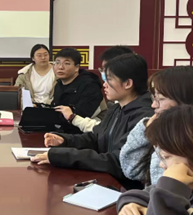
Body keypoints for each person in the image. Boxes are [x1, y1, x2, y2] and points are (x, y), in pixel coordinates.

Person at [33, 53, 153, 186]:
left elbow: (117, 161)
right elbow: (97, 138)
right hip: (106, 178)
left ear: (128, 83)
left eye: (109, 79)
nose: (104, 85)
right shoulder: (116, 108)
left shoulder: (144, 117)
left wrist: (63, 156)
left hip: (125, 188)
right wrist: (65, 140)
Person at [119, 66, 193, 186]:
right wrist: (146, 130)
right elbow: (132, 170)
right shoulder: (164, 128)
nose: (154, 105)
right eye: (154, 98)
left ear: (186, 101)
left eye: (161, 99)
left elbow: (166, 188)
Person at [67, 46, 134, 133]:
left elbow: (105, 132)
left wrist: (73, 118)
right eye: (102, 69)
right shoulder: (115, 107)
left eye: (107, 70)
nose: (104, 84)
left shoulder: (139, 113)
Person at [50, 48, 104, 129]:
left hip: (86, 130)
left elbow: (83, 115)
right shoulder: (59, 84)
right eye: (57, 63)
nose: (60, 67)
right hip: (64, 127)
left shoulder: (90, 86)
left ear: (77, 67)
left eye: (67, 63)